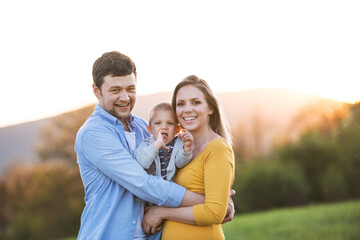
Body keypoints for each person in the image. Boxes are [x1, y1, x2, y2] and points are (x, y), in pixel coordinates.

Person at [74, 51, 206, 240]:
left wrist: (218, 194)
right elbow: (142, 183)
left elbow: (175, 170)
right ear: (97, 91)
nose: (125, 97)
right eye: (115, 90)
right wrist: (205, 202)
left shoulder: (144, 129)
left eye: (130, 88)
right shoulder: (93, 133)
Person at [142, 75, 235, 240]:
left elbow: (214, 212)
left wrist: (162, 212)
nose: (187, 109)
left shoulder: (217, 148)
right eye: (180, 104)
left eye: (196, 102)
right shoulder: (176, 149)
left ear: (210, 108)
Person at [134, 102, 193, 181]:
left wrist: (187, 148)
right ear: (150, 129)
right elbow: (142, 163)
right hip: (151, 187)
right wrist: (157, 144)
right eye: (158, 123)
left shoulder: (178, 143)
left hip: (169, 187)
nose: (164, 127)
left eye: (170, 123)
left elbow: (180, 163)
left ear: (177, 130)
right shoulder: (147, 144)